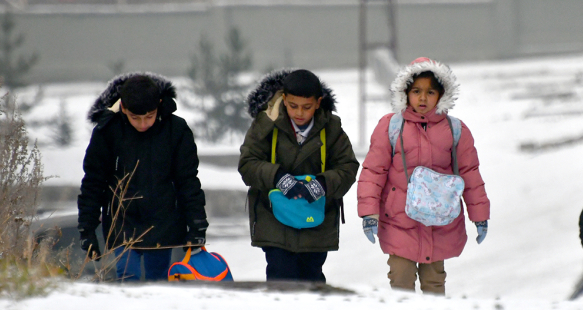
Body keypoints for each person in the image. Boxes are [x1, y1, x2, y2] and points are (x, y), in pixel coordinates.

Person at [357, 57, 490, 295]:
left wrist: (479, 215)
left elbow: (470, 174)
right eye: (416, 91)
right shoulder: (391, 127)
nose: (422, 98)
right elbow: (373, 171)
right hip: (399, 221)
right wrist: (369, 213)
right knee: (400, 281)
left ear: (441, 95)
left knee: (434, 284)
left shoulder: (455, 130)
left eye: (430, 92)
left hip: (439, 222)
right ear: (405, 93)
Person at [78, 73, 208, 281]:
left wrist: (197, 223)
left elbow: (187, 181)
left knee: (158, 282)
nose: (143, 124)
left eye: (149, 116)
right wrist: (87, 229)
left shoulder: (177, 130)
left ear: (159, 104)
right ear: (123, 108)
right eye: (135, 118)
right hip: (121, 223)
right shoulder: (107, 132)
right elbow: (93, 182)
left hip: (163, 223)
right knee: (128, 277)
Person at [238, 69, 359, 283]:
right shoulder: (266, 124)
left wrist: (321, 183)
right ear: (284, 99)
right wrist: (278, 177)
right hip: (273, 217)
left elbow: (347, 166)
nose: (299, 113)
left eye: (307, 107)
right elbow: (248, 163)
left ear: (319, 102)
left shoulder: (331, 128)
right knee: (280, 275)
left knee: (312, 278)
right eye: (293, 106)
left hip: (315, 220)